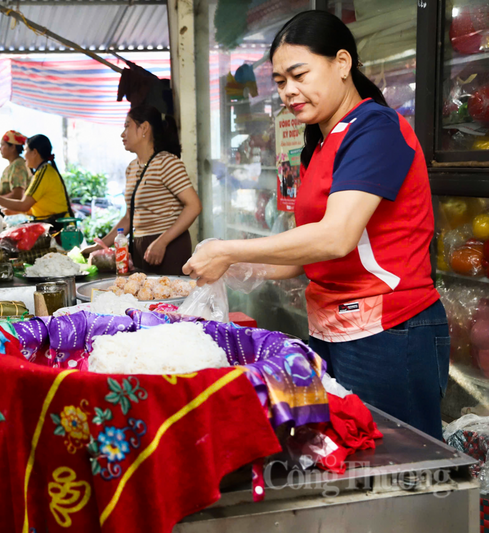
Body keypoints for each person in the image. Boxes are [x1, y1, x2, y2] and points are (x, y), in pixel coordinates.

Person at [182, 11, 448, 440]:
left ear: (342, 63)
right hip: (331, 329)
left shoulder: (376, 130)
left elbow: (336, 237)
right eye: (281, 82)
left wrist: (230, 250)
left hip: (388, 332)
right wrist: (230, 269)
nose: (289, 91)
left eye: (299, 74)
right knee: (346, 454)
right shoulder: (320, 145)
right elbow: (304, 257)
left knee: (399, 468)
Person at [83, 104, 202, 275]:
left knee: (168, 299)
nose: (122, 134)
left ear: (144, 127)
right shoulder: (132, 168)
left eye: (127, 126)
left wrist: (162, 242)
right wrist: (101, 244)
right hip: (140, 248)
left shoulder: (167, 163)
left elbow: (194, 206)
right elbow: (129, 216)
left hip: (167, 248)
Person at [0, 134, 72, 224]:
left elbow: (24, 205)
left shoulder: (44, 172)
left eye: (26, 150)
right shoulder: (42, 171)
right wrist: (17, 211)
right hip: (52, 223)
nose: (24, 155)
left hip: (57, 227)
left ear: (34, 152)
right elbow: (39, 208)